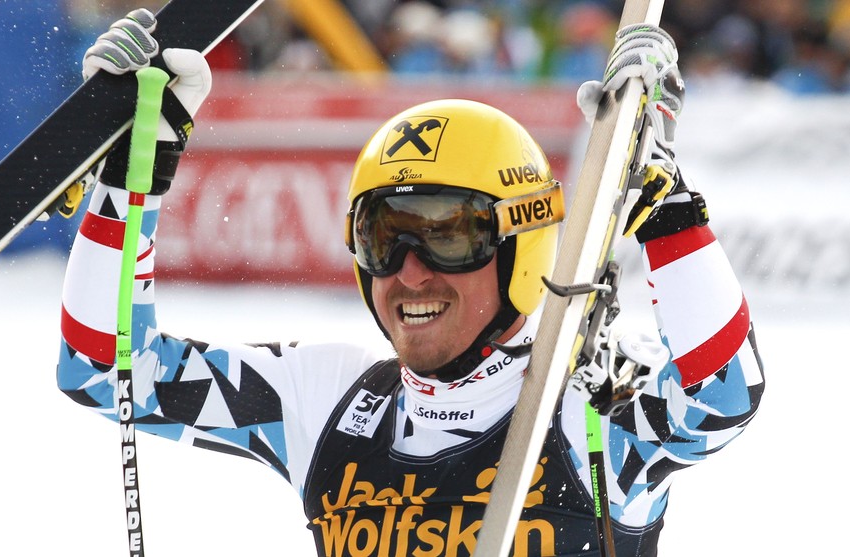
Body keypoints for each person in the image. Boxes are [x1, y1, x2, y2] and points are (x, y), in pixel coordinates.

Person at [57, 9, 765, 557]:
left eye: (447, 235)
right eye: (380, 237)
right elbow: (105, 369)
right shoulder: (328, 399)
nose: (408, 271)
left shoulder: (587, 410)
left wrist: (662, 201)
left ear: (518, 246)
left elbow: (723, 392)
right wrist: (132, 178)